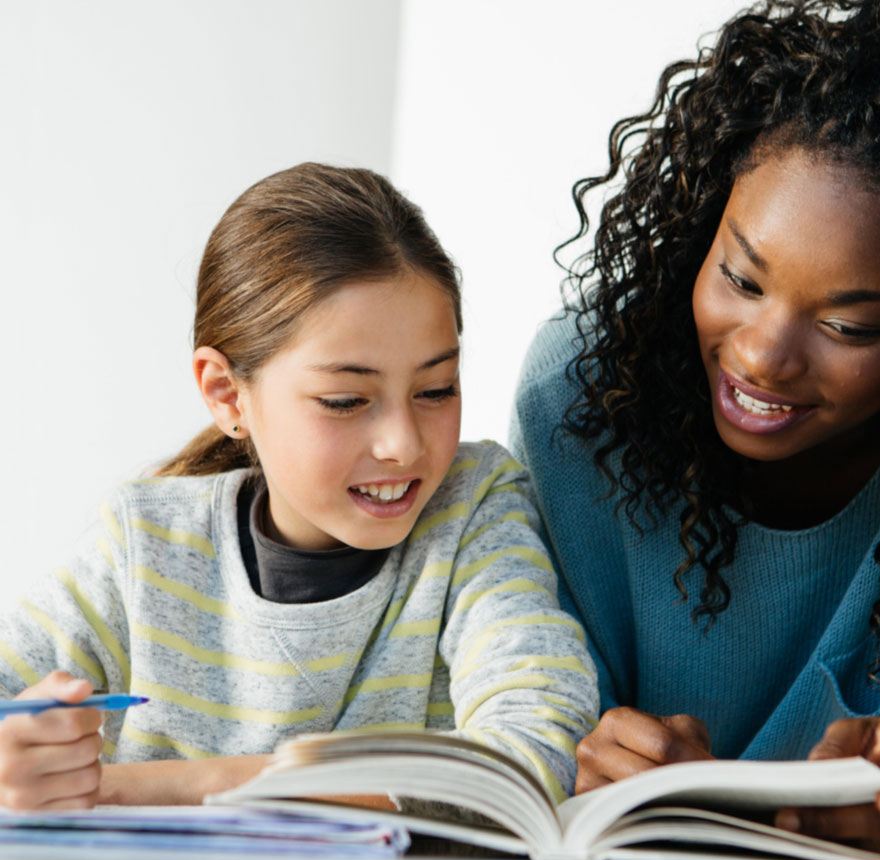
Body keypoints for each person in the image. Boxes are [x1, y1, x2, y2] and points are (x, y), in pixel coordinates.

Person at [512, 0, 880, 860]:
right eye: (740, 278)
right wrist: (578, 754)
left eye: (850, 327)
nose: (764, 358)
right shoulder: (580, 396)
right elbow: (513, 676)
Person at [0, 163, 597, 811]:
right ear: (227, 394)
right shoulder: (147, 547)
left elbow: (537, 747)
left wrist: (151, 786)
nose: (403, 443)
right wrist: (18, 756)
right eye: (345, 400)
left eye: (435, 389)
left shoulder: (474, 508)